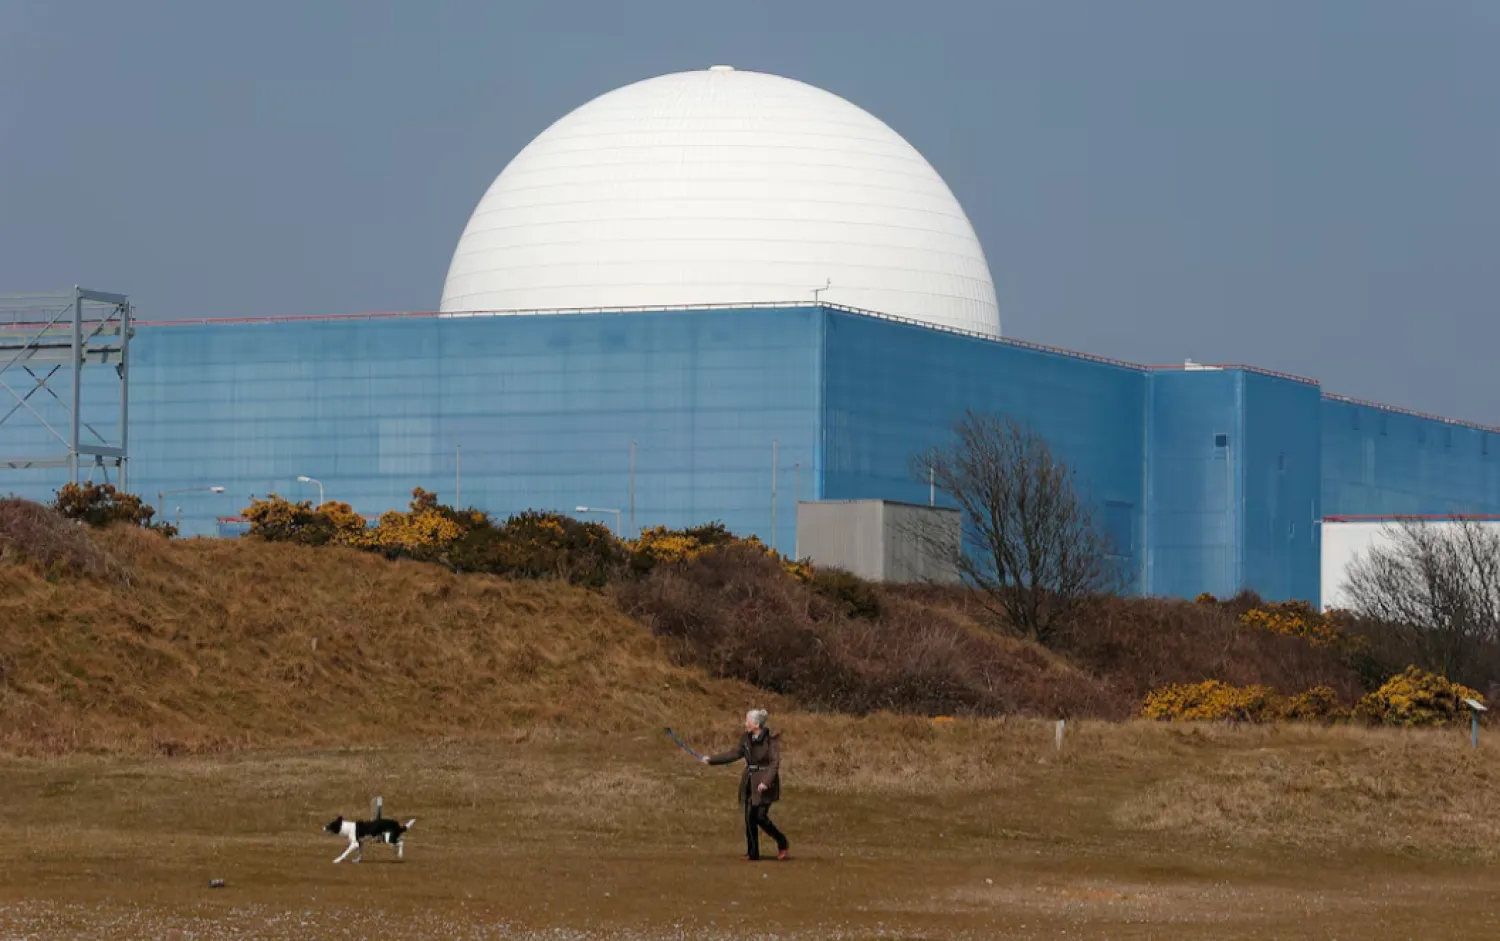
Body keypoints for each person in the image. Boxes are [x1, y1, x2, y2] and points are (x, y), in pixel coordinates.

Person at [701, 708, 790, 861]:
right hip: (749, 781)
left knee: (760, 817)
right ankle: (752, 852)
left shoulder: (771, 741)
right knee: (749, 817)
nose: (745, 724)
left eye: (747, 721)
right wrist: (711, 760)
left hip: (765, 784)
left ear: (756, 724)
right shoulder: (746, 739)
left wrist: (765, 782)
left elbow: (774, 764)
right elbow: (734, 754)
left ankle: (782, 842)